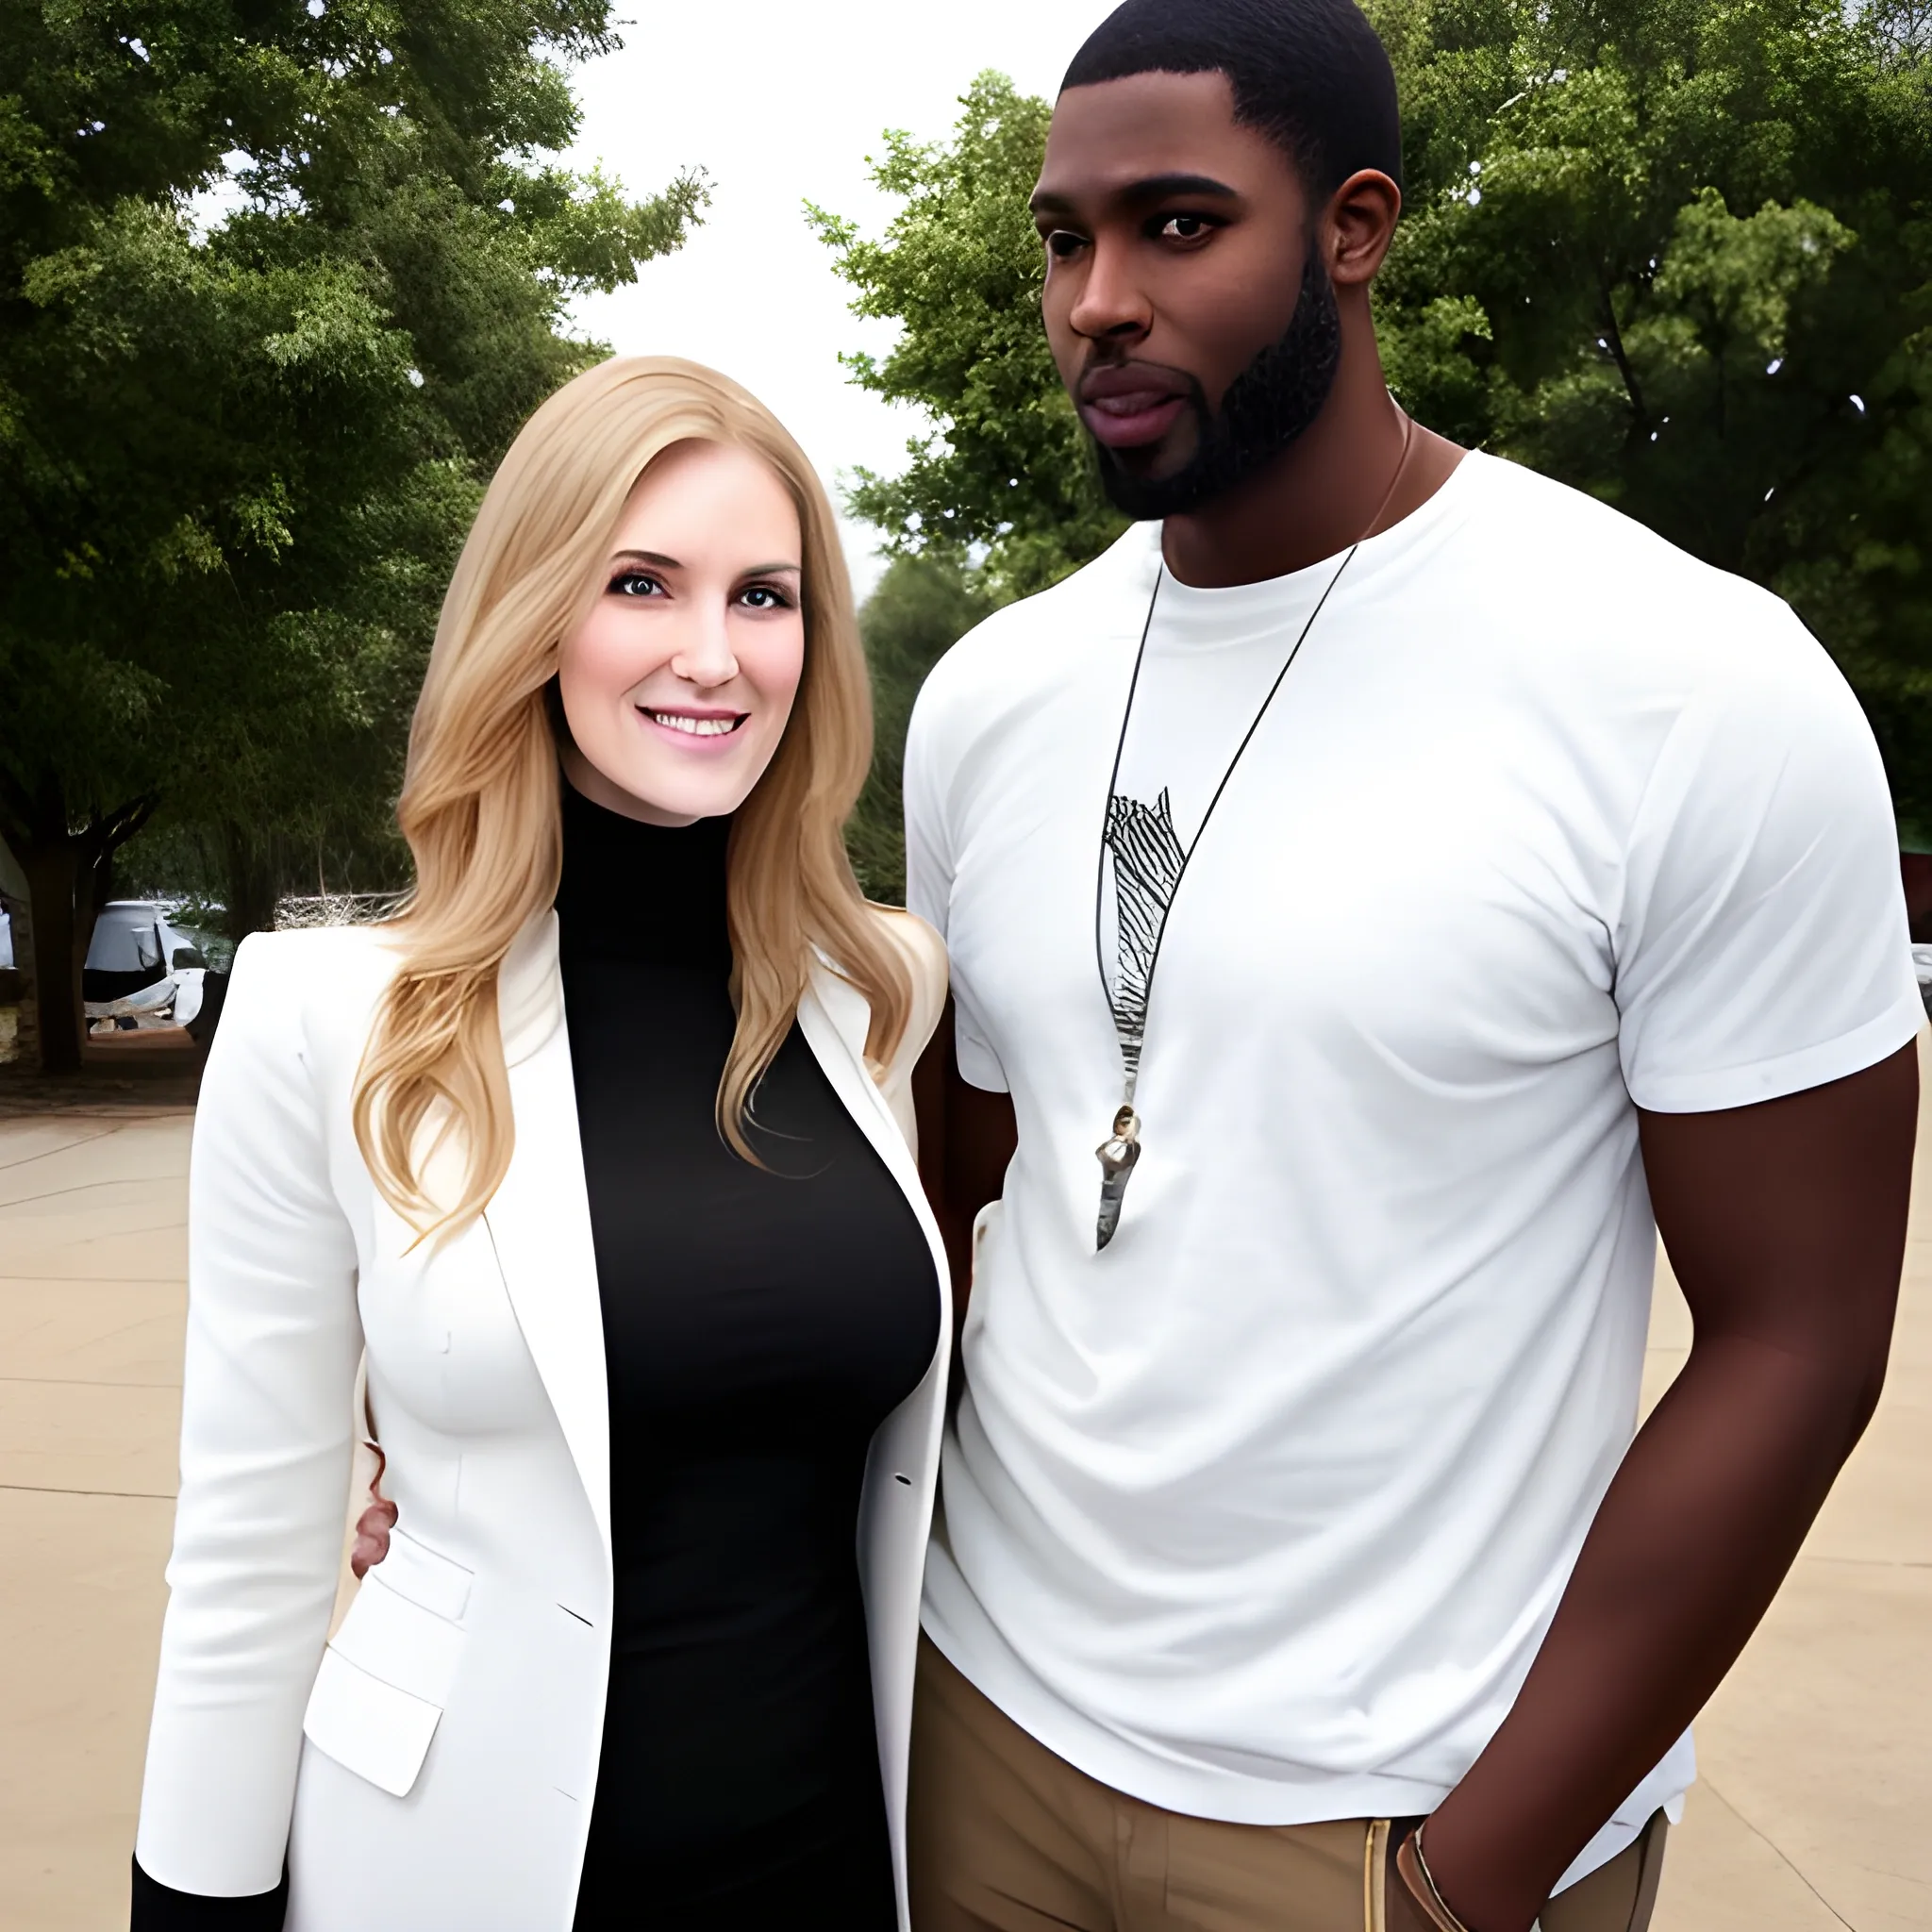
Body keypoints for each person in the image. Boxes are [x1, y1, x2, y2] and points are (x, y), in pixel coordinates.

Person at [900, 3, 1921, 1929]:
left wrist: (1471, 1875)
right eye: (1063, 239)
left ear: (1353, 228)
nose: (1096, 300)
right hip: (978, 1737)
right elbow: (964, 1200)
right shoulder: (986, 701)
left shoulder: (1685, 686)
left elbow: (1799, 1341)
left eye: (1178, 226)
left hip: (1391, 1824)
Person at [130, 356, 952, 1930]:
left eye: (764, 596)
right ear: (531, 616)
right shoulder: (327, 1015)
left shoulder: (879, 997)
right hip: (456, 1865)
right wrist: (193, 1901)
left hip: (829, 1856)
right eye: (642, 583)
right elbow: (250, 1543)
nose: (714, 656)